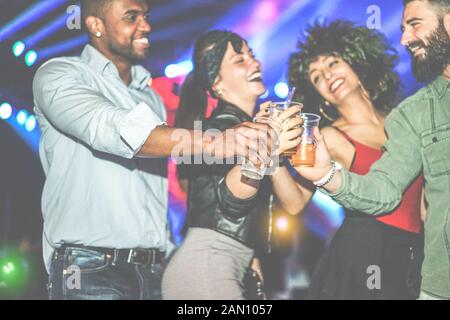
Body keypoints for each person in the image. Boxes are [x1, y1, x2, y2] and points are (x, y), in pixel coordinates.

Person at [32, 0, 276, 300]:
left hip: (154, 268)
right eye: (131, 17)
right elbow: (109, 128)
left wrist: (235, 248)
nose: (146, 25)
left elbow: (164, 194)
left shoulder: (150, 98)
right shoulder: (59, 75)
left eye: (146, 16)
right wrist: (216, 141)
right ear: (96, 25)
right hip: (87, 267)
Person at [295, 0, 450, 300]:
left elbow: (426, 203)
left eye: (414, 24)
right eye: (316, 77)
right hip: (368, 253)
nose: (404, 38)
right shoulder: (413, 114)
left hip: (410, 252)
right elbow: (386, 187)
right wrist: (324, 174)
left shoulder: (395, 117)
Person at [161, 30, 306, 300]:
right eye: (240, 60)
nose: (256, 64)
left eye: (252, 56)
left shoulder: (248, 131)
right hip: (207, 266)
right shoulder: (222, 132)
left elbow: (295, 203)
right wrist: (268, 141)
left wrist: (249, 256)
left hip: (225, 263)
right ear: (217, 84)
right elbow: (231, 202)